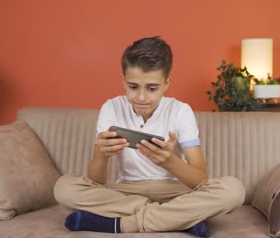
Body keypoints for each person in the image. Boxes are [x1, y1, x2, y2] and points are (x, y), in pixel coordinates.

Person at [54, 36, 245, 237]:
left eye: (152, 88)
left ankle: (123, 224)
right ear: (122, 80)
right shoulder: (111, 108)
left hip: (175, 191)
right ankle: (178, 219)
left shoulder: (181, 111)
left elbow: (200, 179)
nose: (142, 97)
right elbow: (97, 181)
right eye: (133, 87)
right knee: (63, 188)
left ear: (167, 83)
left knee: (233, 190)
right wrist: (102, 154)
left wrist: (170, 162)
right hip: (125, 192)